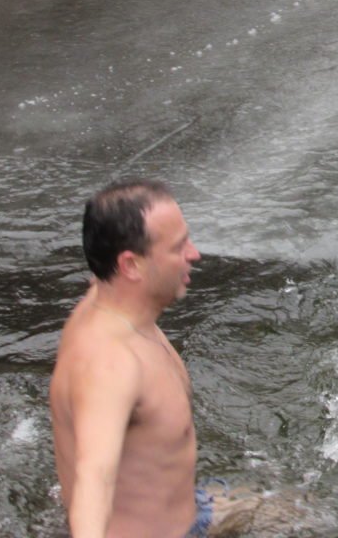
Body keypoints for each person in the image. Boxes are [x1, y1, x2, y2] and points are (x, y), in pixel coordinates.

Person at [49, 179, 210, 537]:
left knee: (294, 510)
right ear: (131, 265)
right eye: (178, 246)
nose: (194, 253)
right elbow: (96, 476)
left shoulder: (105, 298)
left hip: (193, 511)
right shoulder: (111, 364)